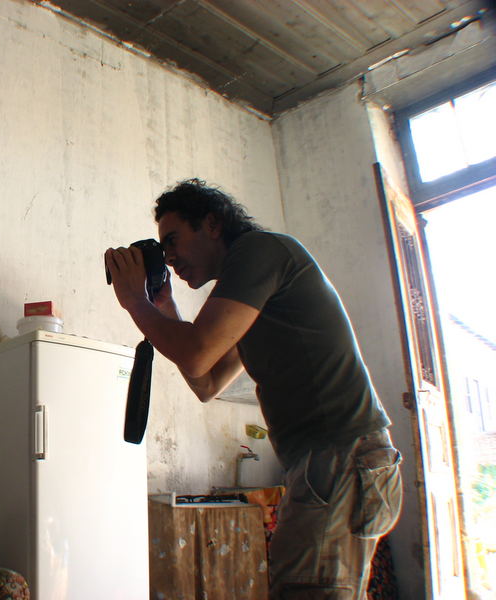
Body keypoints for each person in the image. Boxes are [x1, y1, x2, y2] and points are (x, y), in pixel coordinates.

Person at [105, 179, 402, 599]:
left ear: (211, 223)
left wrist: (136, 302)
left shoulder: (259, 252)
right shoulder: (250, 291)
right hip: (331, 459)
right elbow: (207, 383)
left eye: (173, 241)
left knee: (307, 590)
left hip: (339, 455)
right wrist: (164, 309)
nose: (169, 258)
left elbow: (195, 355)